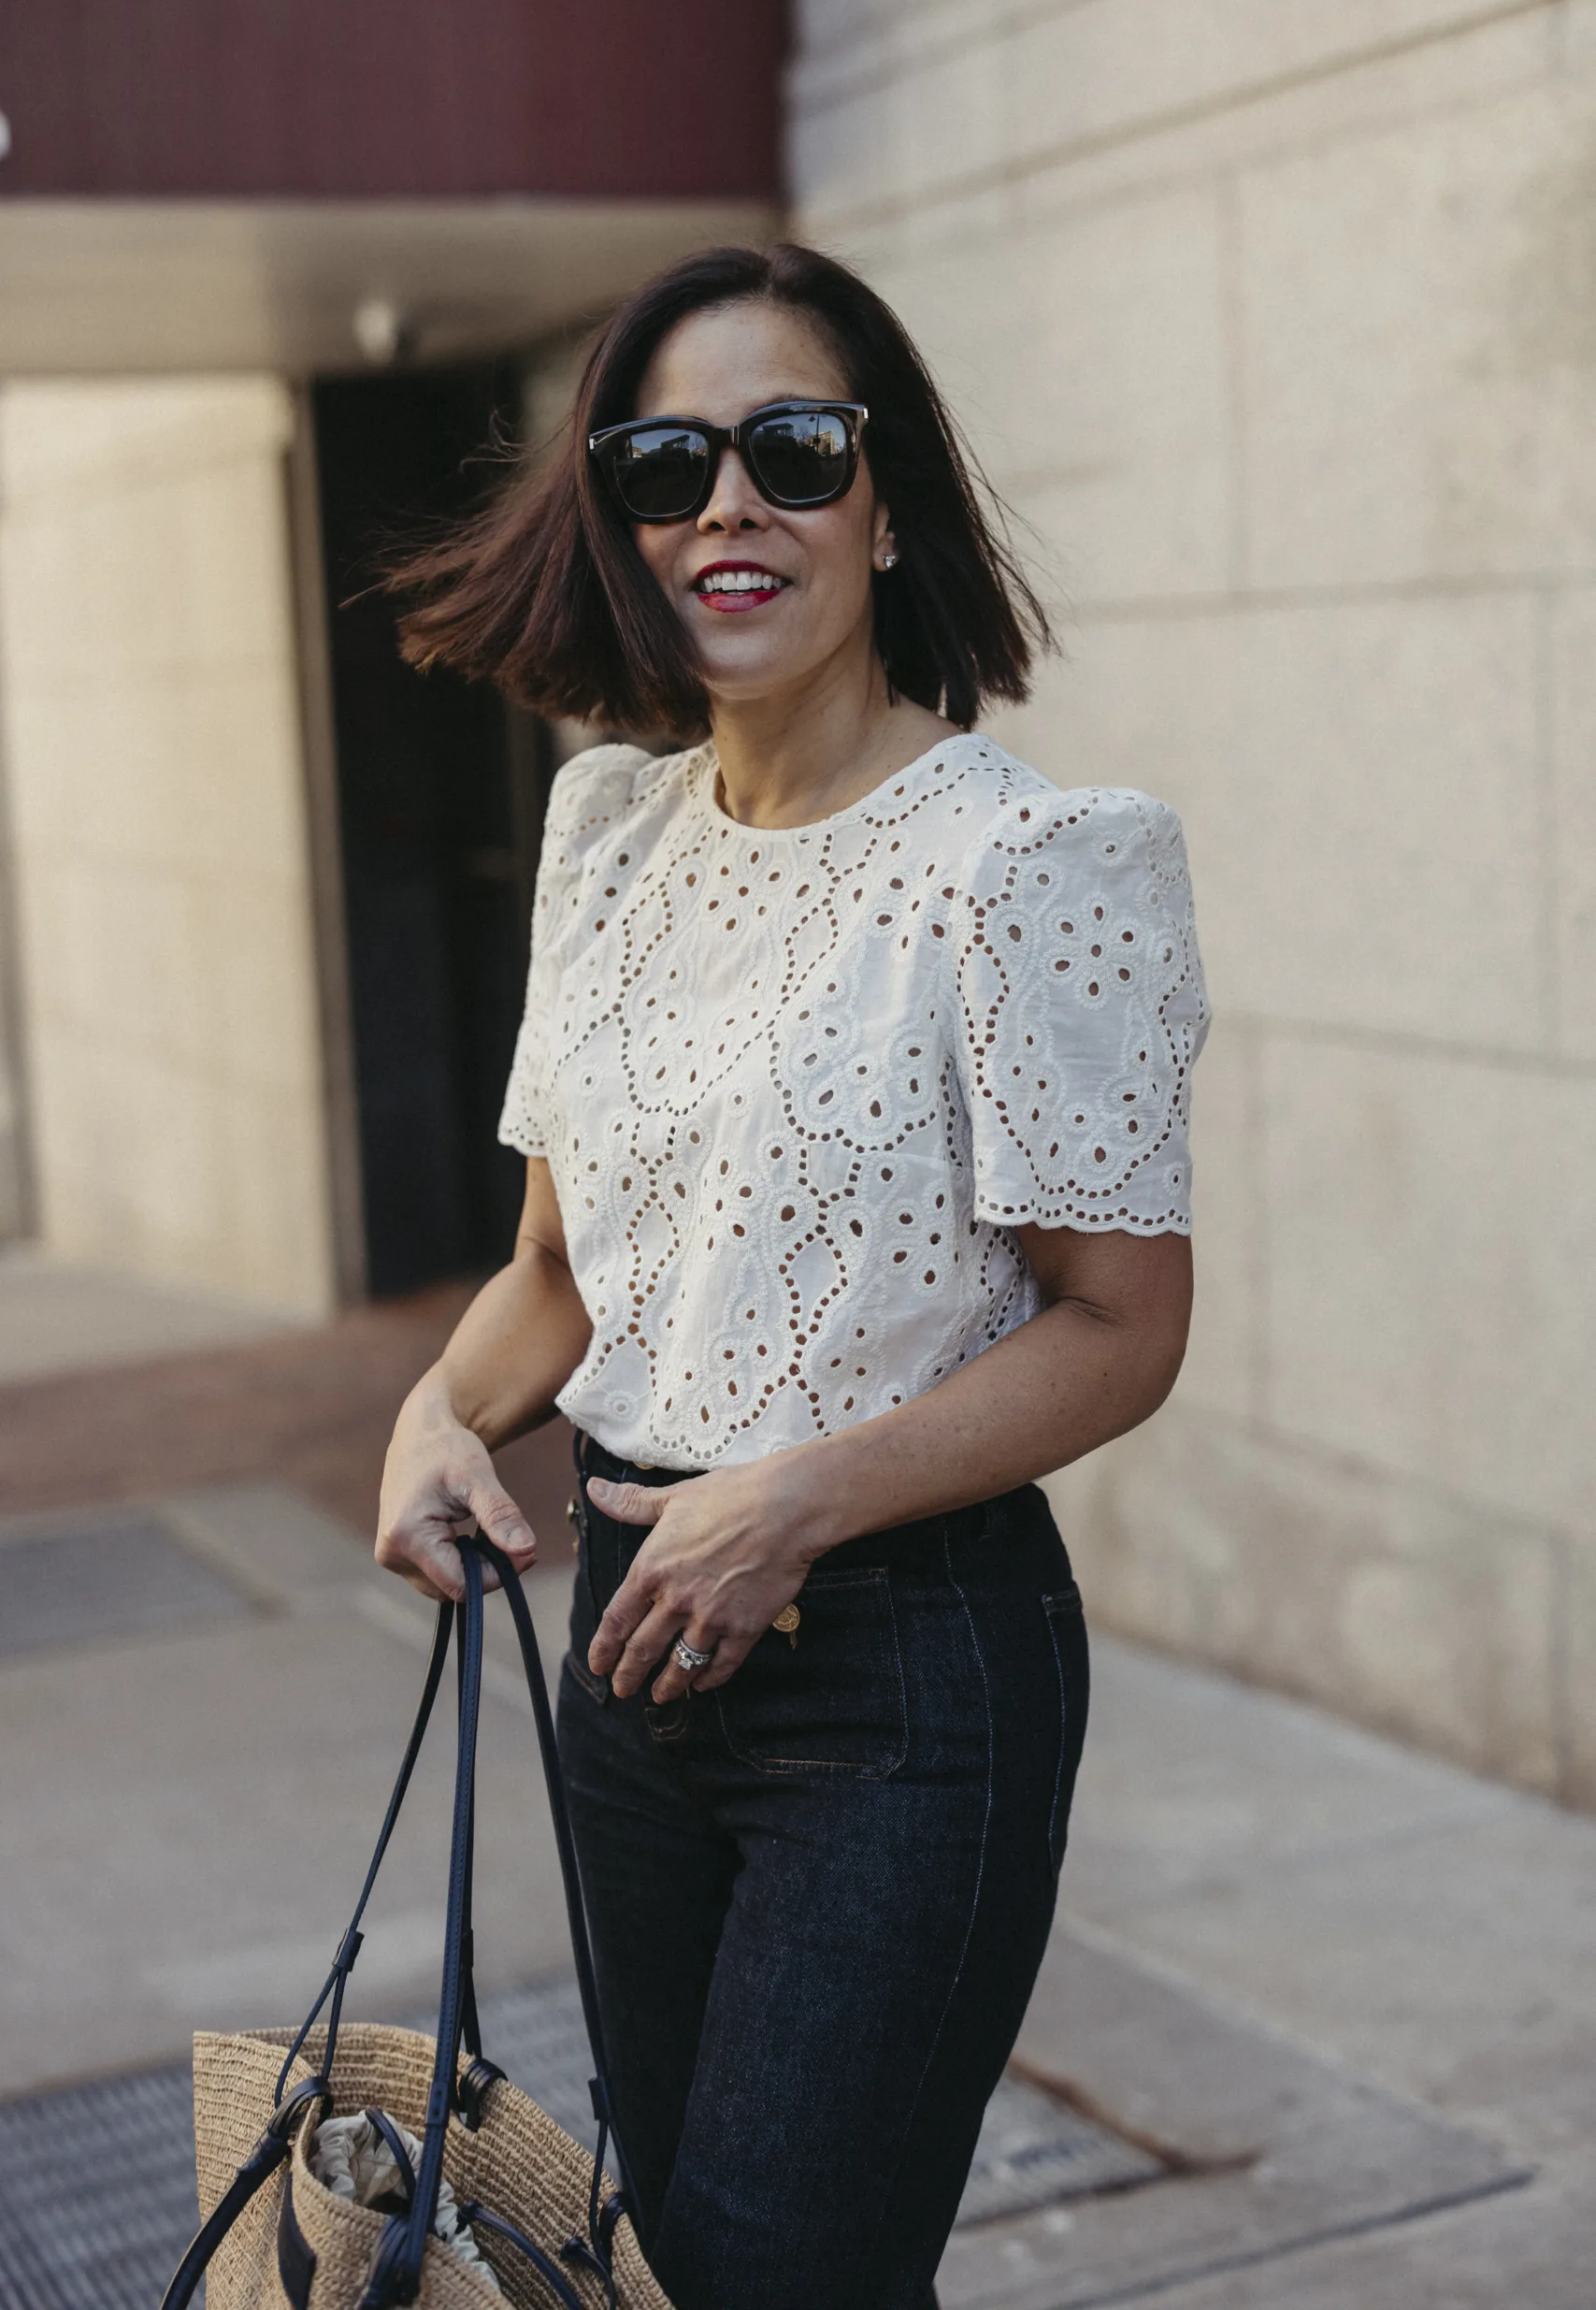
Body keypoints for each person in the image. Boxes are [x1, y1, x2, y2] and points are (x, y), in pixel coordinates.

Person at [375, 241, 1208, 2310]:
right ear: (618, 520)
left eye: (792, 448)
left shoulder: (1025, 860)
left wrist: (805, 1494)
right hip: (625, 1658)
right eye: (666, 463)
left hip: (901, 1670)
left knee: (780, 2277)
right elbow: (556, 1271)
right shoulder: (606, 836)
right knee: (675, 2261)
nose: (725, 505)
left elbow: (1125, 1328)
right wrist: (436, 1411)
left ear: (884, 497)